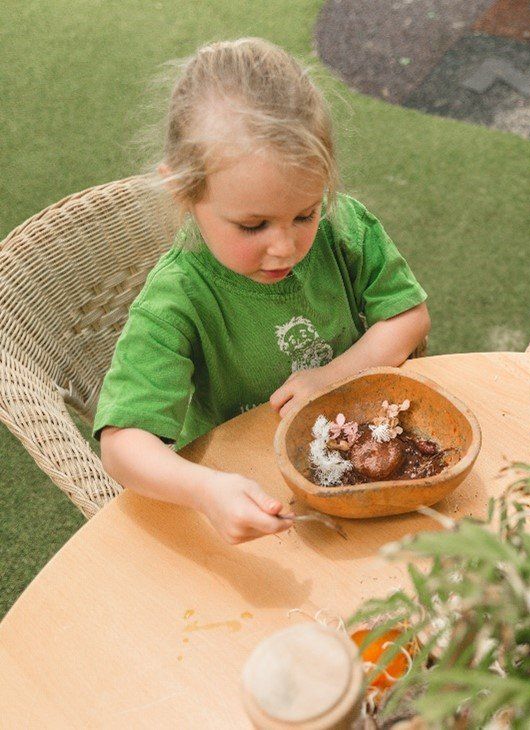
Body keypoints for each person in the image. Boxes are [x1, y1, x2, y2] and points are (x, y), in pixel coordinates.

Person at [95, 38, 430, 544]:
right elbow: (123, 444)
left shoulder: (345, 228)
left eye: (304, 214)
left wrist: (332, 377)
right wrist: (204, 489)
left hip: (371, 452)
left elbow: (409, 317)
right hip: (256, 488)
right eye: (253, 226)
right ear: (183, 192)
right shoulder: (179, 295)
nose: (285, 248)